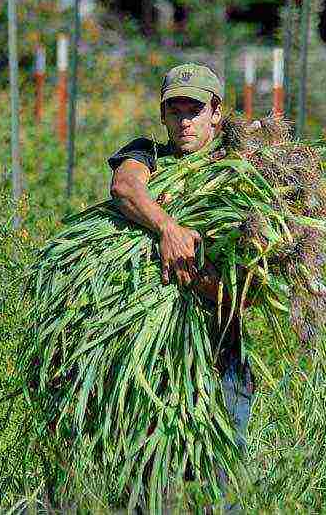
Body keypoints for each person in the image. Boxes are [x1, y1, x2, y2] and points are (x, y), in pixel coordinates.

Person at [108, 63, 254, 509]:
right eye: (176, 111)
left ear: (217, 113)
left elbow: (252, 290)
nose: (186, 121)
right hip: (152, 356)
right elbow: (126, 187)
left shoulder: (242, 176)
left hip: (219, 349)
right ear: (164, 115)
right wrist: (168, 226)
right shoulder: (147, 154)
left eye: (196, 109)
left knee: (218, 485)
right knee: (149, 482)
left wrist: (205, 284)